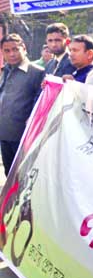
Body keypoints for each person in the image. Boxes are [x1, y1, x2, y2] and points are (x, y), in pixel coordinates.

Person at [0, 34, 45, 175]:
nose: (11, 54)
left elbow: (39, 104)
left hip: (23, 137)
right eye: (7, 51)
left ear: (24, 48)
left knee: (23, 176)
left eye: (15, 49)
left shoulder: (37, 72)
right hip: (4, 133)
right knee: (9, 174)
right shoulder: (5, 70)